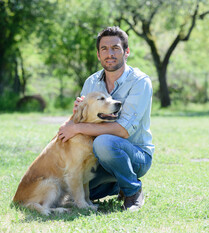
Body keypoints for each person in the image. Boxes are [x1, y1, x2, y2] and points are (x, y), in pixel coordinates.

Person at [58, 26, 154, 211]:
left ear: (126, 52)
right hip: (96, 157)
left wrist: (78, 128)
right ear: (98, 54)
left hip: (135, 154)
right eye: (104, 49)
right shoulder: (91, 82)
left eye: (115, 48)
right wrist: (71, 124)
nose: (110, 54)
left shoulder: (140, 82)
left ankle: (133, 191)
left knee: (104, 142)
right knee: (67, 192)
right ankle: (117, 184)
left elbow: (122, 131)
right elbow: (80, 119)